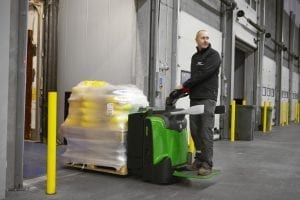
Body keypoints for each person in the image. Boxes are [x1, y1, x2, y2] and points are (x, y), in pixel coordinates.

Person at [178, 30, 221, 176]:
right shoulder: (195, 57)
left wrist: (185, 85)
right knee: (195, 131)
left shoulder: (214, 55)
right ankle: (198, 160)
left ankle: (207, 164)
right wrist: (186, 90)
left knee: (205, 130)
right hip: (195, 97)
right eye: (202, 38)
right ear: (196, 39)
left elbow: (203, 74)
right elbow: (195, 77)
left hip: (207, 98)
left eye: (207, 38)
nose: (205, 40)